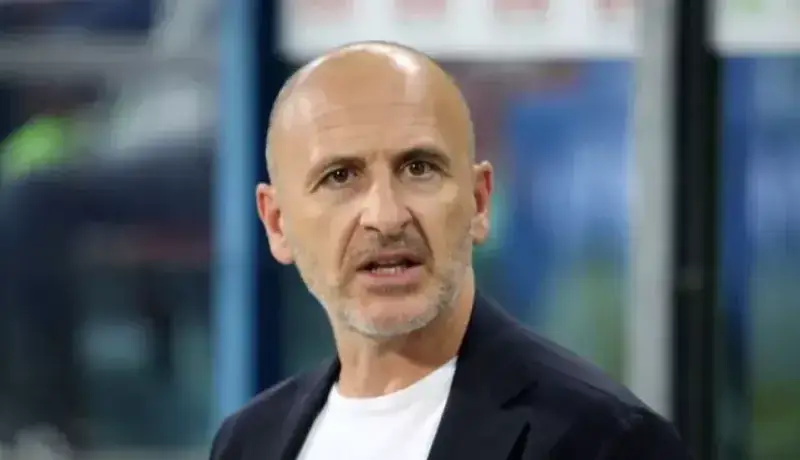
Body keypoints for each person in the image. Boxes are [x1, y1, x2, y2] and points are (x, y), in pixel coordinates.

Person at [209, 41, 693, 460]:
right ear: (277, 223)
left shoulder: (604, 440)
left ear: (479, 202)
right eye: (340, 177)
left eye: (419, 168)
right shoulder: (249, 441)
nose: (386, 216)